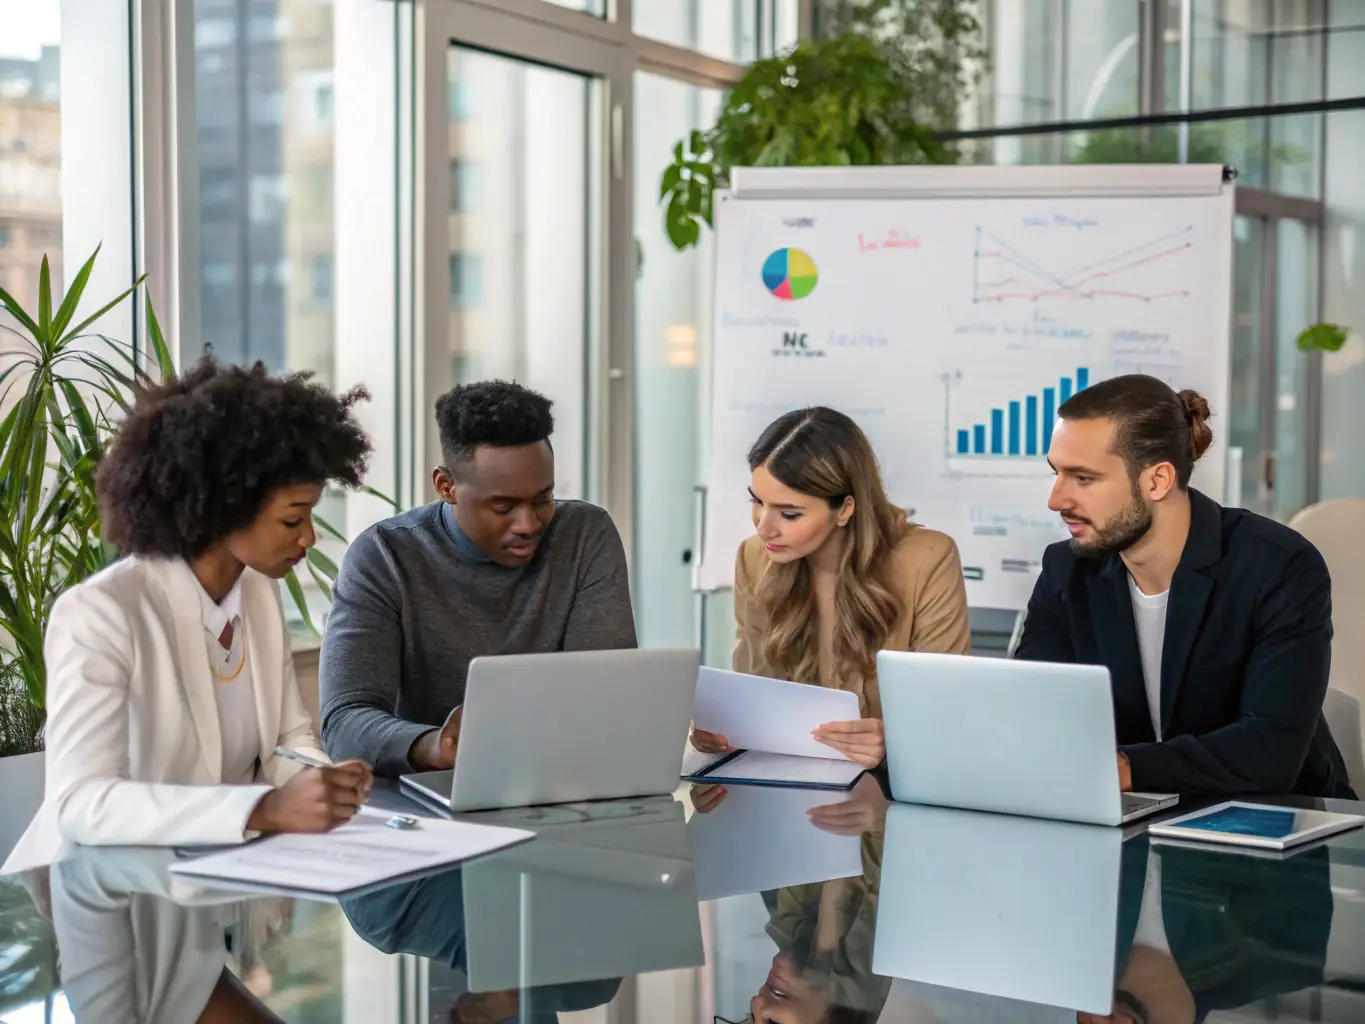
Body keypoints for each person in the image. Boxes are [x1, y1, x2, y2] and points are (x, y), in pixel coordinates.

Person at [3, 359, 375, 876]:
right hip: (91, 901)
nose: (309, 538)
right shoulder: (101, 614)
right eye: (293, 518)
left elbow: (287, 739)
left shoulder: (258, 594)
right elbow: (80, 803)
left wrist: (321, 782)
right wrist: (264, 810)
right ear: (224, 505)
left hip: (204, 889)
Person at [1017, 373, 1354, 799]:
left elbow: (1269, 752)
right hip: (1126, 817)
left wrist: (1123, 767)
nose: (1056, 499)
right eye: (1057, 474)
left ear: (1157, 480)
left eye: (1083, 479)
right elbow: (1032, 712)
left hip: (1276, 824)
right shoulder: (1067, 569)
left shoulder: (1276, 565)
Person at [319, 380, 637, 777]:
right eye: (503, 507)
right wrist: (433, 745)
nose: (528, 524)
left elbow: (604, 693)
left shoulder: (584, 535)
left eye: (543, 499)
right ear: (446, 486)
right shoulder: (384, 557)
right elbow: (344, 722)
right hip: (430, 796)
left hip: (562, 781)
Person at [694, 407, 971, 768]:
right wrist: (725, 732)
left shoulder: (928, 558)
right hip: (790, 784)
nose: (764, 528)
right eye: (757, 502)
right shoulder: (754, 558)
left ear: (844, 509)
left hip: (893, 788)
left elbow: (948, 715)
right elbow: (755, 692)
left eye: (789, 513)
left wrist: (892, 742)